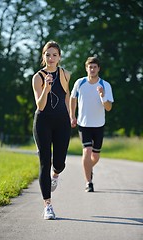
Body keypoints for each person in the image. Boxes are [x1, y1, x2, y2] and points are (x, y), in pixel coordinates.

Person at [32, 41, 71, 220]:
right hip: (43, 123)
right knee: (44, 162)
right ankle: (48, 205)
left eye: (54, 55)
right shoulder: (37, 77)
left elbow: (66, 96)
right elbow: (40, 106)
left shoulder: (64, 74)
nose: (51, 58)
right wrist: (46, 89)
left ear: (59, 57)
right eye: (48, 54)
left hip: (62, 122)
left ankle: (55, 175)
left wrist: (71, 115)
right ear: (43, 56)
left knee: (60, 163)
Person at [70, 57, 114, 192]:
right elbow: (73, 98)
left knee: (95, 156)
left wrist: (102, 95)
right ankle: (88, 182)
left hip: (99, 124)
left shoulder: (105, 85)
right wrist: (72, 116)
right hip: (84, 124)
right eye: (90, 67)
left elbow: (108, 107)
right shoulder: (80, 83)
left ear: (99, 69)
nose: (92, 69)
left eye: (95, 67)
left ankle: (88, 168)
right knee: (87, 151)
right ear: (86, 68)